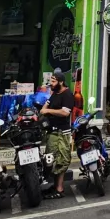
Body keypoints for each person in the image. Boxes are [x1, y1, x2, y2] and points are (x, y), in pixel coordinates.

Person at [40, 71, 74, 199]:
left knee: (61, 159)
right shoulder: (54, 94)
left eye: (54, 81)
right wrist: (44, 110)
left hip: (62, 132)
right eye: (51, 81)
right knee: (50, 159)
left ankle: (59, 189)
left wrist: (48, 111)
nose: (51, 83)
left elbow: (65, 112)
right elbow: (45, 105)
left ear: (61, 82)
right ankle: (54, 186)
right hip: (52, 131)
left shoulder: (67, 95)